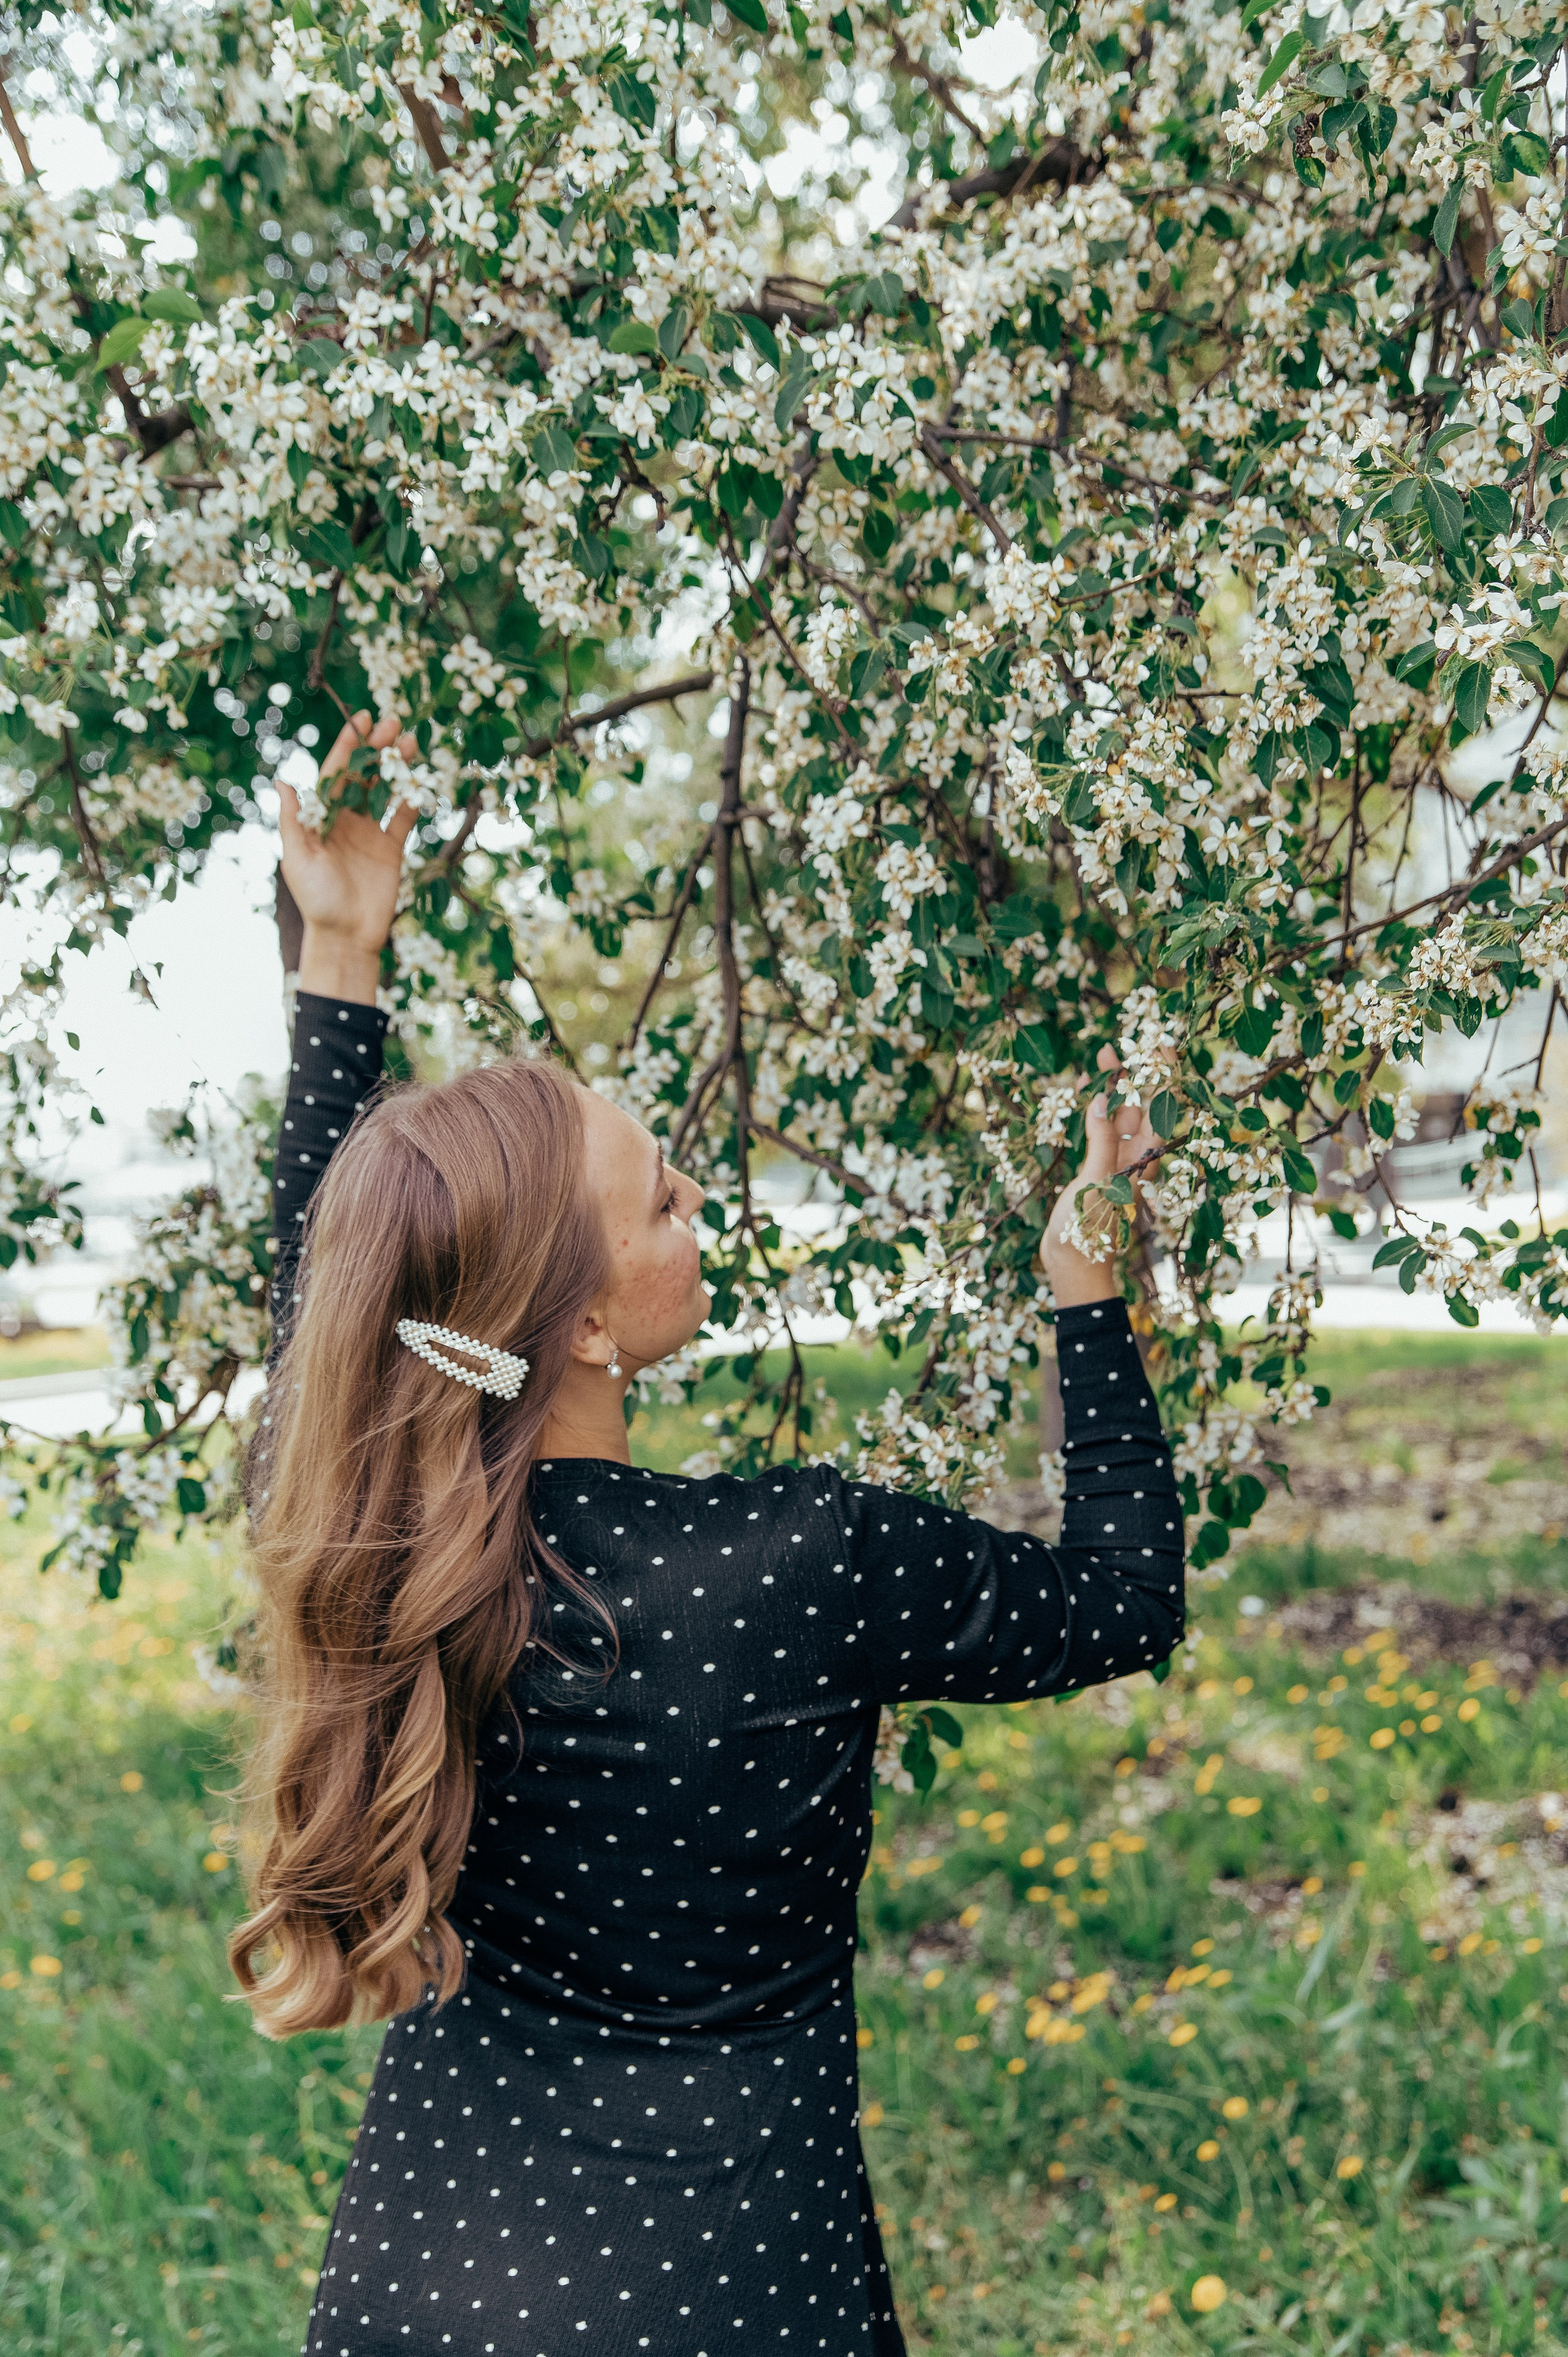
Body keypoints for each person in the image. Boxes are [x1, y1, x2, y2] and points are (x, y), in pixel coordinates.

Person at [230, 710, 1187, 2357]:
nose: (699, 1210)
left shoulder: (367, 1527)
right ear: (585, 1327)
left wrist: (340, 956)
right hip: (742, 2280)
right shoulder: (804, 1560)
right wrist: (1090, 1303)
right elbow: (1125, 1599)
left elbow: (332, 1299)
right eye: (665, 1198)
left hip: (428, 2278)